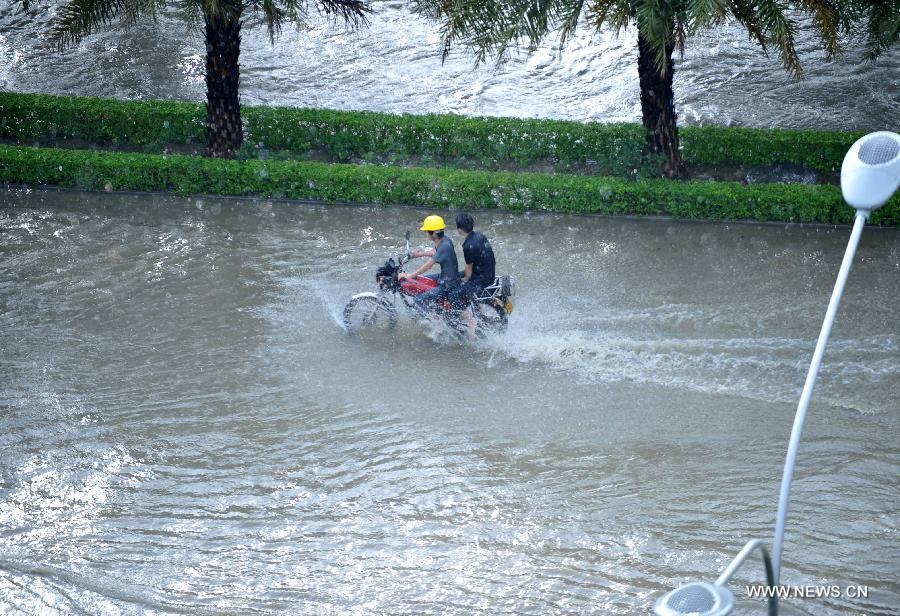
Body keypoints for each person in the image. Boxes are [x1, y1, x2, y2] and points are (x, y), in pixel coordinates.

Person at [398, 214, 461, 315]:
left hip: (447, 284)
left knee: (418, 300)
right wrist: (418, 254)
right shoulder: (445, 240)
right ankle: (435, 306)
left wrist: (409, 276)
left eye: (426, 231)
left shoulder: (444, 246)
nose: (425, 234)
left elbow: (428, 265)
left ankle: (437, 325)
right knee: (419, 279)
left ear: (434, 234)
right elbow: (435, 252)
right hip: (446, 277)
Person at [454, 213, 496, 336]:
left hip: (481, 277)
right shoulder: (480, 235)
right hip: (487, 271)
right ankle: (478, 310)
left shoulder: (468, 246)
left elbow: (468, 270)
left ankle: (471, 322)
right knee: (456, 278)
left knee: (455, 293)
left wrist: (464, 280)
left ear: (460, 229)